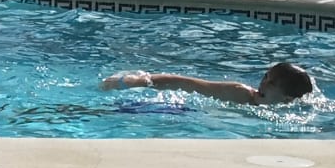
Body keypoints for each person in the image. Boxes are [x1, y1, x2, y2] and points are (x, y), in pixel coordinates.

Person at [102, 61, 316, 106]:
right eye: (265, 76)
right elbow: (187, 83)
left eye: (272, 83)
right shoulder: (240, 94)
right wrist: (139, 82)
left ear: (288, 98)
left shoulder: (303, 109)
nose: (263, 84)